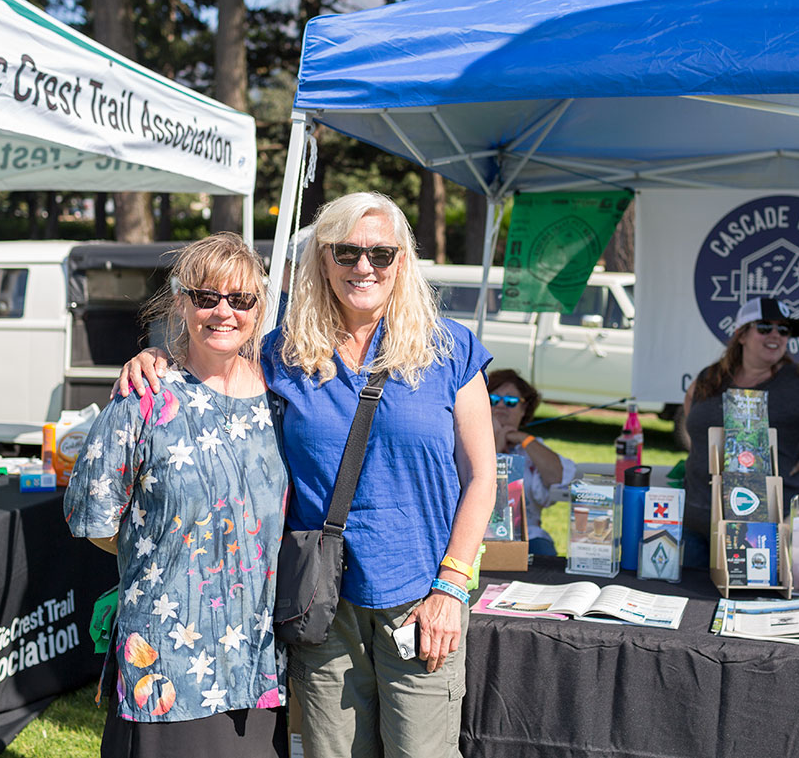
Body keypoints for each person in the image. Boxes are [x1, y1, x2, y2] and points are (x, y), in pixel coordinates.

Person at [117, 192, 497, 758]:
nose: (363, 267)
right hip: (320, 604)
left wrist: (451, 586)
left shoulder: (450, 348)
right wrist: (156, 361)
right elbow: (214, 363)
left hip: (420, 597)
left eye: (380, 254)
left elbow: (482, 477)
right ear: (322, 260)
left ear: (402, 261)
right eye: (345, 253)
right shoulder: (284, 353)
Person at [63, 233, 289, 758]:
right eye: (206, 297)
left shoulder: (284, 397)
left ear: (259, 308)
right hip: (166, 652)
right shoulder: (144, 396)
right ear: (181, 302)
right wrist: (159, 552)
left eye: (240, 299)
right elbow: (93, 517)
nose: (223, 312)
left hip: (256, 652)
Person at [682, 297, 799, 566]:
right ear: (741, 334)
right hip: (696, 518)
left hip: (762, 527)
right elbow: (693, 415)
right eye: (765, 327)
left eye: (783, 330)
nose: (775, 335)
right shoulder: (711, 377)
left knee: (753, 601)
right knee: (688, 601)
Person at [487, 368, 575, 557]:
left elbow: (557, 477)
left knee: (545, 557)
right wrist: (496, 448)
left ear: (524, 409)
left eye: (511, 402)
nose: (501, 405)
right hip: (479, 534)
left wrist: (523, 438)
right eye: (494, 399)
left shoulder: (531, 448)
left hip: (529, 536)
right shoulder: (468, 442)